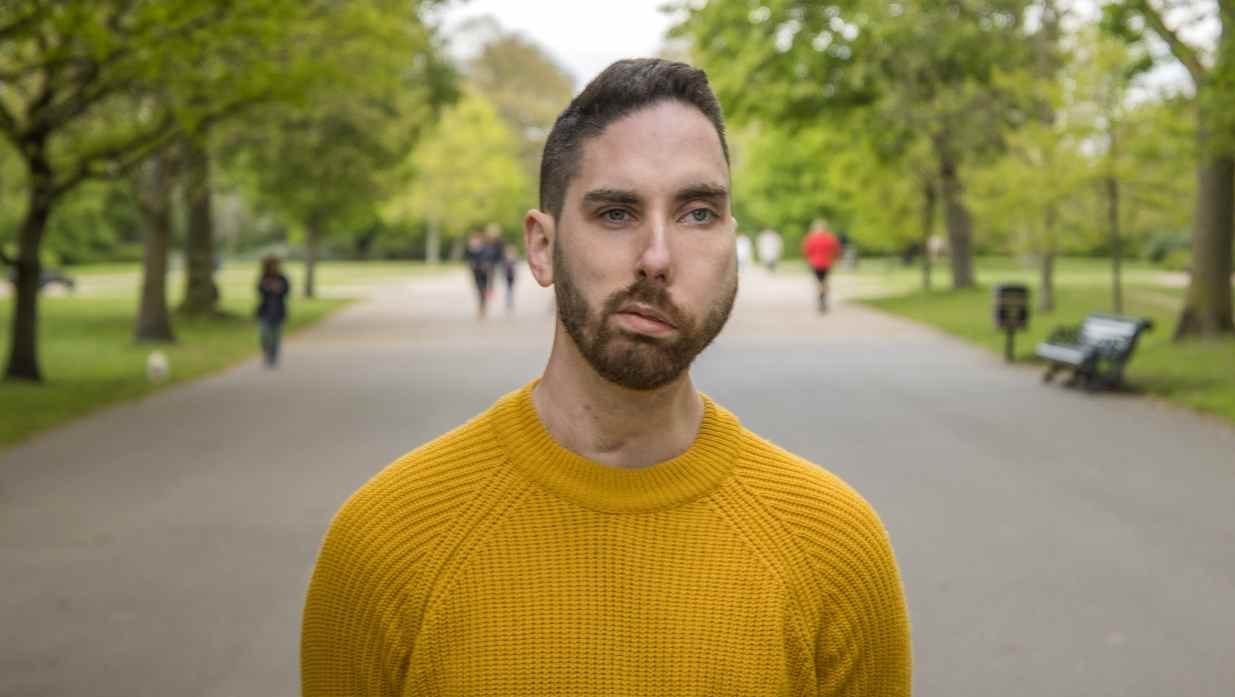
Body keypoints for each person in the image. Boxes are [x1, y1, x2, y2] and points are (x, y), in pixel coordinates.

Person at [301, 58, 910, 697]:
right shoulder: (385, 541)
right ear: (542, 247)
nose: (657, 258)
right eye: (616, 213)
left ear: (732, 243)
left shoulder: (836, 548)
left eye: (697, 213)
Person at [254, 255, 290, 368]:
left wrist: (276, 289)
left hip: (279, 311)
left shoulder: (282, 278)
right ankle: (266, 354)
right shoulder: (263, 277)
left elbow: (286, 290)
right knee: (264, 335)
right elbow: (259, 290)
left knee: (276, 336)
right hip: (264, 311)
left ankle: (273, 358)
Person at [802, 218, 842, 313]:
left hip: (815, 263)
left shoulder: (811, 238)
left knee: (819, 282)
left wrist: (808, 260)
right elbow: (837, 249)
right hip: (827, 263)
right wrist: (836, 259)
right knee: (825, 281)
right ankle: (823, 299)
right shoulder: (830, 238)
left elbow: (806, 250)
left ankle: (821, 300)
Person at [463, 229, 490, 317]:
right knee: (478, 288)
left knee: (483, 288)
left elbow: (489, 257)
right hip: (475, 271)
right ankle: (481, 305)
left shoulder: (484, 248)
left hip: (484, 271)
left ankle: (483, 306)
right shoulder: (470, 249)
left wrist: (486, 264)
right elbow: (467, 258)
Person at [501, 241, 519, 310]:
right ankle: (508, 301)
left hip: (512, 275)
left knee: (510, 289)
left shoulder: (514, 258)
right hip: (507, 275)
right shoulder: (505, 258)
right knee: (508, 289)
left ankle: (510, 301)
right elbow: (503, 268)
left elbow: (516, 268)